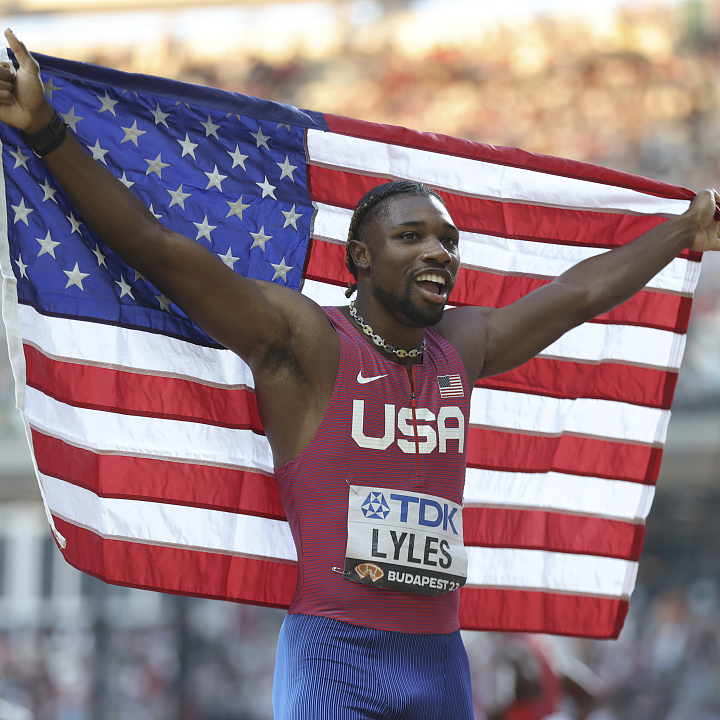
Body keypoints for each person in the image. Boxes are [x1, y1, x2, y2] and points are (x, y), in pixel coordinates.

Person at [1, 28, 719, 720]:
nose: (439, 252)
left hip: (439, 659)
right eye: (412, 237)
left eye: (448, 240)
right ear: (363, 259)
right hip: (336, 654)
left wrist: (684, 231)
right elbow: (159, 249)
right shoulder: (304, 343)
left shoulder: (462, 346)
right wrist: (46, 132)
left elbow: (578, 295)